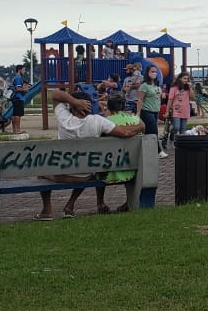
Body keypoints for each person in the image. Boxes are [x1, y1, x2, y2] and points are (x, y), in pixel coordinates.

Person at [36, 89, 145, 220]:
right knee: (85, 166)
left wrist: (74, 102)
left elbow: (54, 94)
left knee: (41, 171)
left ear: (74, 108)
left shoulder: (63, 118)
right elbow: (126, 132)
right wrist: (140, 126)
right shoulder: (98, 121)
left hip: (61, 175)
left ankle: (47, 210)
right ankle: (70, 206)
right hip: (84, 176)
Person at [138, 66, 167, 158]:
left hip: (156, 111)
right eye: (152, 71)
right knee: (154, 131)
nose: (154, 73)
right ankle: (158, 151)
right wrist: (138, 113)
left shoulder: (157, 85)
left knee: (148, 132)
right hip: (146, 111)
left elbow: (158, 97)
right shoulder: (144, 86)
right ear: (147, 73)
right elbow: (139, 100)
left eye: (155, 71)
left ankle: (146, 150)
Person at [10, 64, 29, 134]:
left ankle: (14, 130)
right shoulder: (18, 78)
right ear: (19, 70)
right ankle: (18, 130)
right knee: (18, 114)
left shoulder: (14, 78)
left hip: (15, 98)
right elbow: (18, 88)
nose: (24, 71)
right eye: (23, 70)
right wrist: (25, 89)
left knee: (14, 114)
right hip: (18, 98)